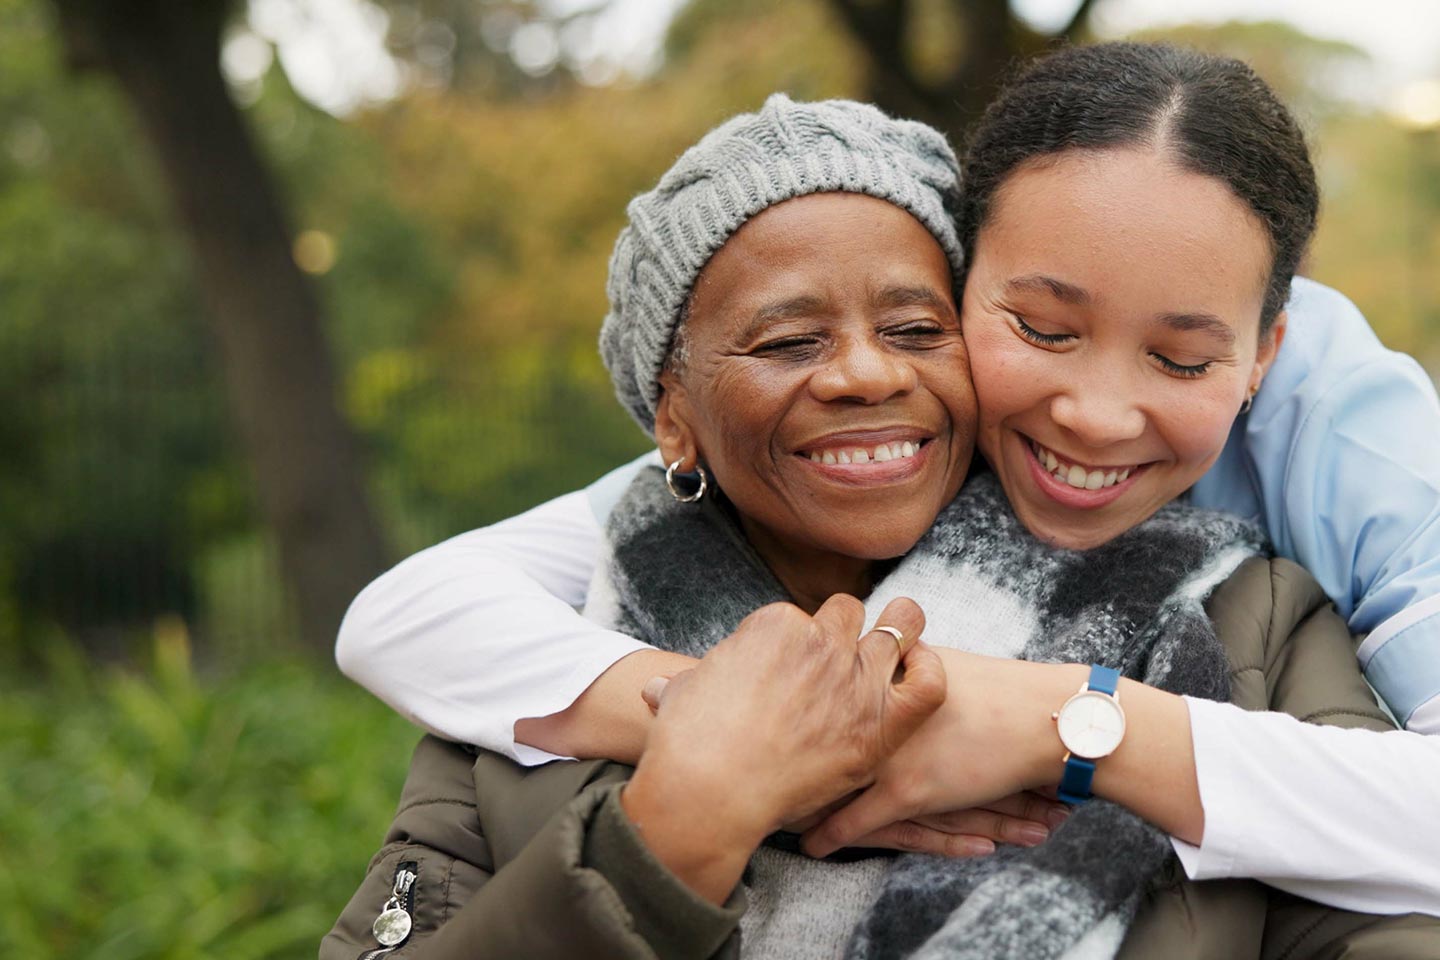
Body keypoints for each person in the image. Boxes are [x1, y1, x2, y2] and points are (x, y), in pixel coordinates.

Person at [325, 46, 1440, 959]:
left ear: (1263, 354)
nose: (1096, 415)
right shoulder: (553, 652)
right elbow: (400, 614)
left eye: (909, 329)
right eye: (1042, 330)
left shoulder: (1274, 595)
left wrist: (1069, 721)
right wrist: (711, 787)